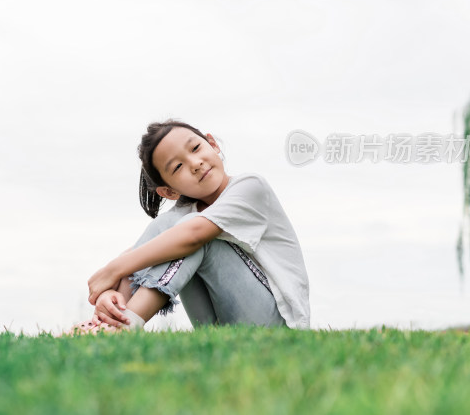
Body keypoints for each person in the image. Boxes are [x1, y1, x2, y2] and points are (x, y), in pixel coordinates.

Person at [67, 119, 310, 335]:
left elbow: (193, 235)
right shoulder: (181, 216)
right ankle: (112, 320)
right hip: (220, 331)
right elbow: (142, 252)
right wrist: (111, 292)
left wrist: (113, 270)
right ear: (169, 191)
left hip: (278, 324)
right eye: (177, 167)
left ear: (213, 144)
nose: (195, 163)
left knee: (191, 234)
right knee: (169, 231)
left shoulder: (250, 187)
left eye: (196, 148)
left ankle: (123, 326)